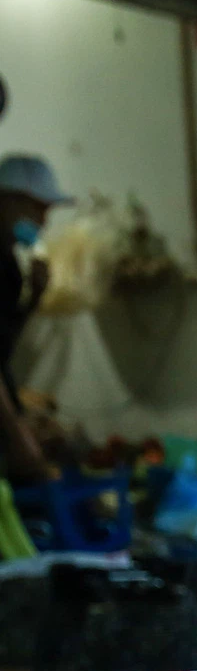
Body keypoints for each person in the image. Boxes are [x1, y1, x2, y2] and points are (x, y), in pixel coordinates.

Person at [0, 154, 65, 479]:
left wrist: (35, 298)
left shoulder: (10, 264)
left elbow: (4, 345)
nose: (43, 221)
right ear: (9, 200)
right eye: (38, 208)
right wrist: (18, 435)